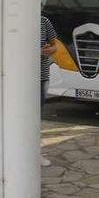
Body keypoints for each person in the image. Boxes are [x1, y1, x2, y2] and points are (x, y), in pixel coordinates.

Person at [40, 14, 58, 167]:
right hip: (22, 77)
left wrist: (48, 50)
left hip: (42, 75)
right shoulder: (17, 20)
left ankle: (35, 151)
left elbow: (55, 46)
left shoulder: (44, 21)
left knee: (37, 115)